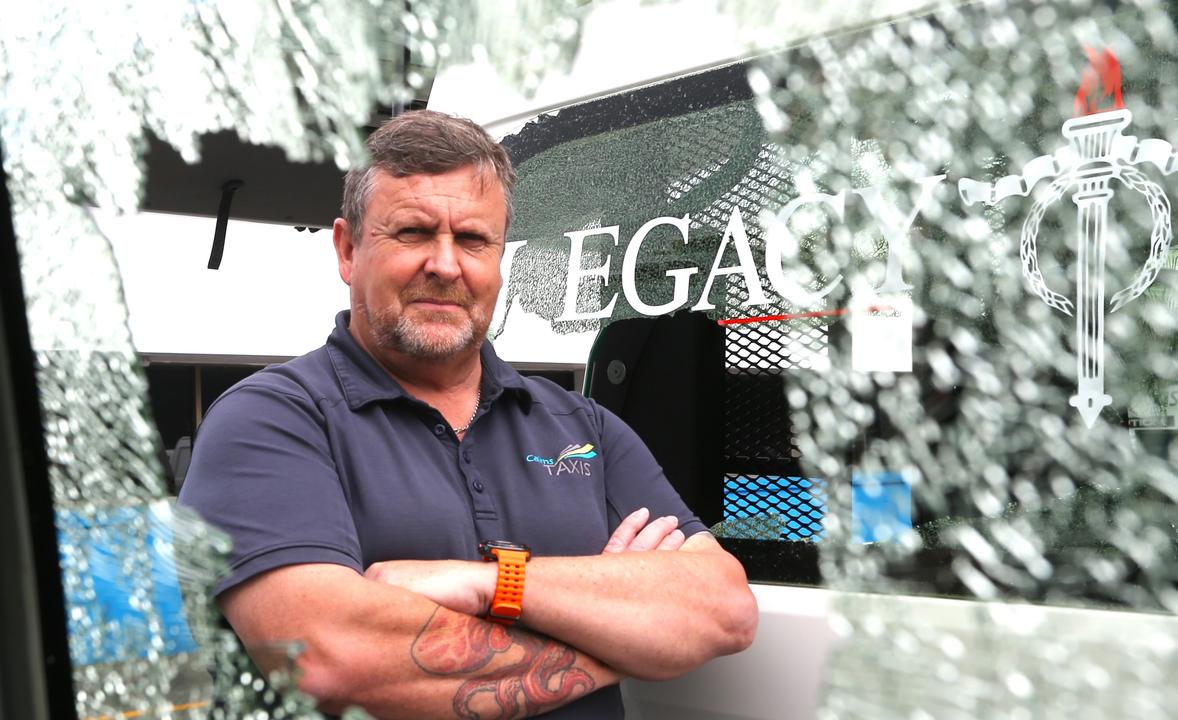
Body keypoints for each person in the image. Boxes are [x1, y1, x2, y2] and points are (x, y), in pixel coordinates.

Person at [178, 109, 758, 719]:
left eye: (474, 240)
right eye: (413, 233)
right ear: (348, 250)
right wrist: (622, 632)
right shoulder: (270, 420)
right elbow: (326, 657)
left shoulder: (582, 426)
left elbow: (725, 609)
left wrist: (491, 583)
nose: (447, 265)